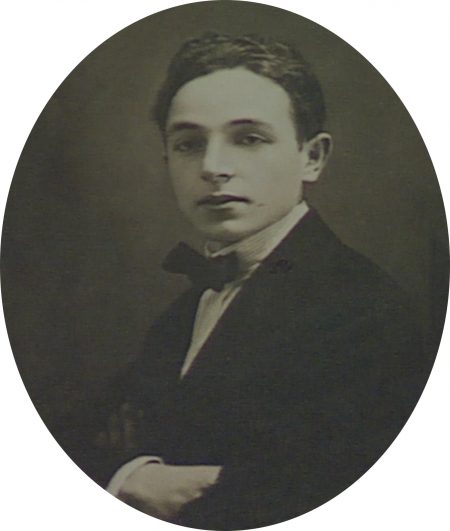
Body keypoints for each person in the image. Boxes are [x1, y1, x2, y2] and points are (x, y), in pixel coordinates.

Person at [67, 33, 428, 529]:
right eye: (189, 144)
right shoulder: (188, 308)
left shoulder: (368, 311)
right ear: (168, 160)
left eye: (249, 138)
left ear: (312, 158)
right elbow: (69, 444)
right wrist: (132, 476)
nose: (213, 168)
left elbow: (317, 498)